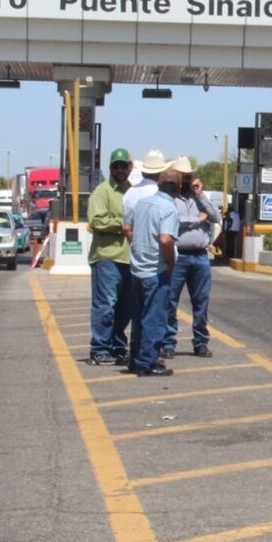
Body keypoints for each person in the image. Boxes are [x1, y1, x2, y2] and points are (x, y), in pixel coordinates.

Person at [163, 160, 221, 359]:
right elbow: (173, 220)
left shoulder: (199, 198)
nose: (186, 180)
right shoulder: (170, 199)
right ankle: (168, 343)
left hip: (200, 256)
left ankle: (201, 342)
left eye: (189, 176)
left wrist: (200, 195)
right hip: (178, 256)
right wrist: (197, 219)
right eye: (183, 176)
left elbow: (216, 217)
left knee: (201, 302)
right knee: (170, 301)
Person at [128, 166, 181, 377]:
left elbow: (126, 228)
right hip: (155, 270)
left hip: (137, 269)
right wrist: (170, 261)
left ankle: (136, 359)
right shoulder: (169, 208)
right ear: (178, 187)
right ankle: (147, 363)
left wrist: (138, 248)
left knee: (139, 317)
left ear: (159, 184)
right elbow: (166, 239)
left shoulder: (142, 203)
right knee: (155, 319)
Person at [86, 148, 133, 366]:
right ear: (111, 168)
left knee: (125, 308)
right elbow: (96, 220)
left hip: (129, 257)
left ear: (130, 168)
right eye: (116, 166)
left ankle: (118, 346)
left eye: (124, 166)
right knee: (105, 305)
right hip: (107, 257)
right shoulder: (102, 191)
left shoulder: (132, 192)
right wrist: (121, 224)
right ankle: (99, 349)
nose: (120, 170)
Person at [122, 149, 167, 242]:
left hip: (135, 246)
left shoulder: (130, 192)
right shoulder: (161, 194)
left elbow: (126, 226)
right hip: (156, 245)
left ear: (143, 172)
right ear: (162, 173)